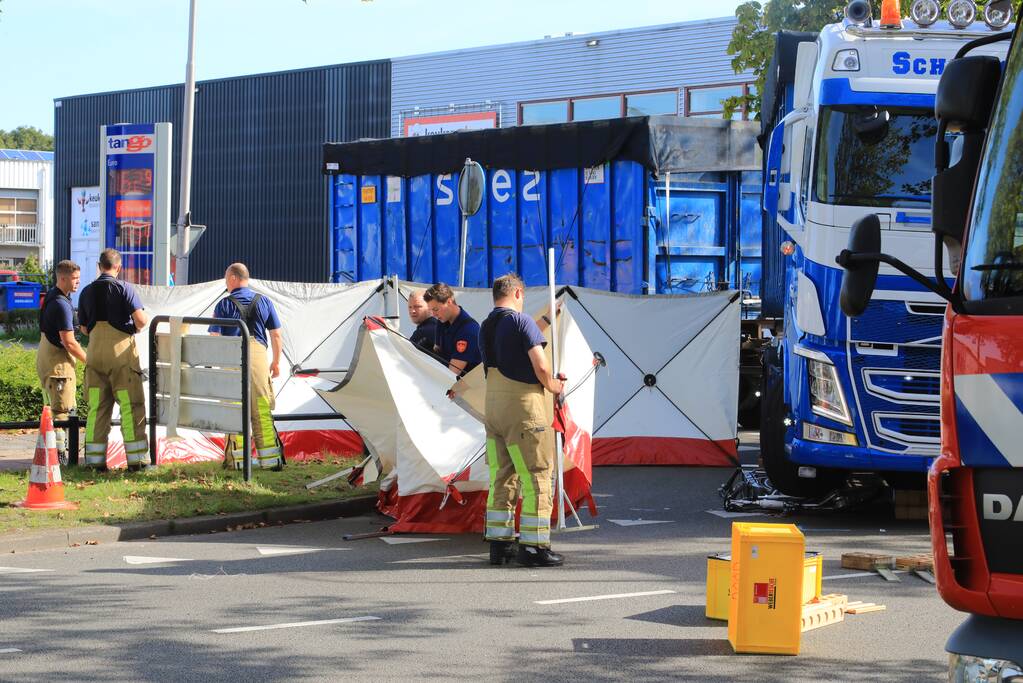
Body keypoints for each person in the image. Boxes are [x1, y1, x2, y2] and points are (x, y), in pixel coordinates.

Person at [479, 273, 566, 567]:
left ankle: (499, 545)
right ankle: (533, 547)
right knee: (537, 476)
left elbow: (518, 345)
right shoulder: (521, 321)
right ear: (518, 293)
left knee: (502, 477)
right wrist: (554, 385)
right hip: (523, 411)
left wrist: (546, 320)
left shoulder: (486, 326)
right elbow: (540, 364)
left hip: (494, 412)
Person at [77, 249, 149, 470]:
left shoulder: (86, 292)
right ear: (118, 268)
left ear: (99, 266)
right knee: (130, 405)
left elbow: (83, 328)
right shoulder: (124, 288)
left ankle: (94, 462)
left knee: (97, 407)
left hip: (95, 353)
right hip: (121, 355)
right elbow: (141, 320)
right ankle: (136, 461)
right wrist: (130, 328)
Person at [209, 263, 284, 471]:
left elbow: (214, 336)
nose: (226, 283)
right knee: (261, 407)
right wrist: (276, 362)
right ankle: (270, 460)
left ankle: (238, 462)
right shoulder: (264, 301)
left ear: (233, 278)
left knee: (234, 410)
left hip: (232, 358)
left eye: (226, 279)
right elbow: (276, 334)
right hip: (259, 358)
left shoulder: (223, 304)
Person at [37, 260, 87, 465]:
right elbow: (69, 342)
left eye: (78, 278)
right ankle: (60, 457)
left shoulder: (52, 297)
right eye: (74, 279)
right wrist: (89, 361)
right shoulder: (61, 304)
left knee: (61, 409)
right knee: (62, 411)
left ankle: (58, 454)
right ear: (63, 278)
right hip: (58, 367)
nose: (77, 283)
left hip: (48, 360)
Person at [424, 282, 481, 375]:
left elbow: (452, 374)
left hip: (466, 387)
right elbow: (437, 353)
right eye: (431, 311)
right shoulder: (442, 321)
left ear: (449, 302)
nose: (433, 315)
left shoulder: (468, 330)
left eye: (436, 309)